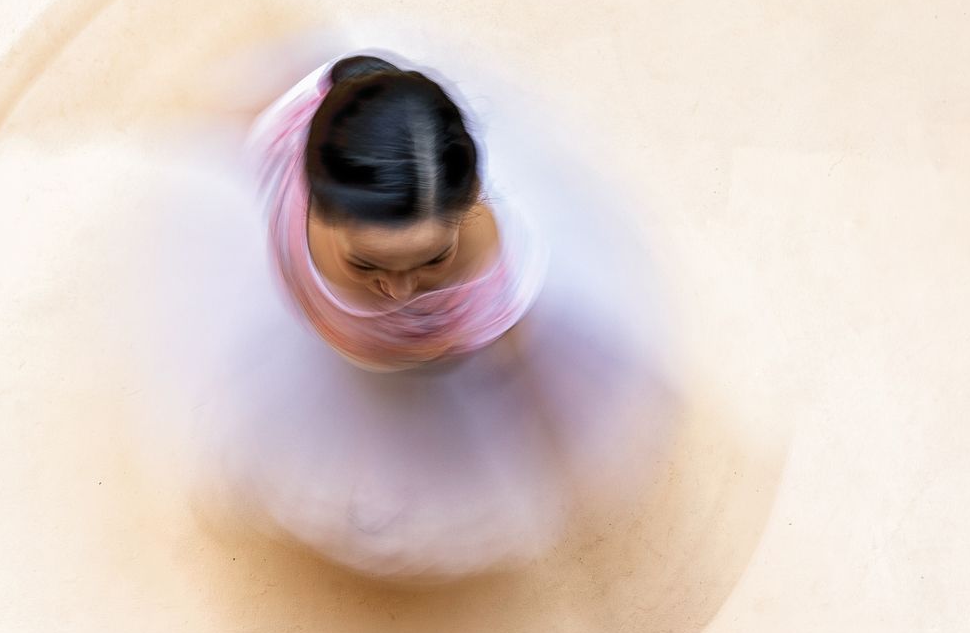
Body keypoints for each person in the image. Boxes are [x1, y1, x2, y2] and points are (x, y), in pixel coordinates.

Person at [122, 30, 682, 581]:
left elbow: (518, 359)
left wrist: (548, 444)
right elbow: (250, 116)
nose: (399, 292)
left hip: (406, 372)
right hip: (323, 351)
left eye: (434, 260)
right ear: (310, 195)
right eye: (367, 264)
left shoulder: (487, 281)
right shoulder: (287, 139)